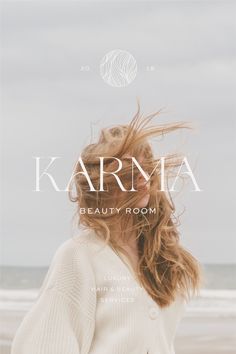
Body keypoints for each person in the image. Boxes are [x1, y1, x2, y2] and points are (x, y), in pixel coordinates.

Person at [11, 104, 203, 354]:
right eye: (129, 169)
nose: (141, 177)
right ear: (101, 182)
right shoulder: (79, 255)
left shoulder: (161, 257)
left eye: (145, 167)